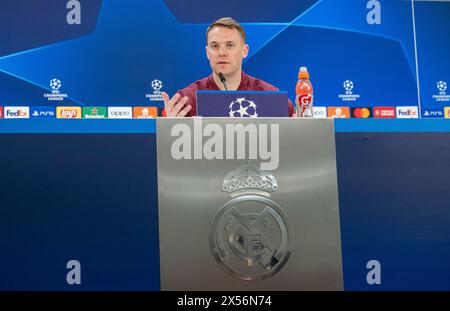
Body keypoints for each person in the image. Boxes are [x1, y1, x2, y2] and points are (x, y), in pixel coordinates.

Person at [161, 17, 295, 117]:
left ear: (244, 50)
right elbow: (170, 149)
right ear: (207, 52)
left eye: (230, 45)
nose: (222, 53)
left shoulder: (270, 97)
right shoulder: (186, 100)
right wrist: (170, 128)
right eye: (215, 46)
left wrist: (298, 127)